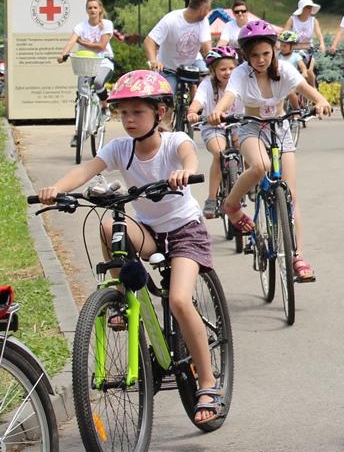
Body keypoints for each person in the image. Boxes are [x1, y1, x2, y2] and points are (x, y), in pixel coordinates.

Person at [37, 70, 225, 424]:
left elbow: (189, 156)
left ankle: (208, 382)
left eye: (137, 112)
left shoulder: (174, 141)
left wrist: (184, 172)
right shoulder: (120, 148)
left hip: (185, 232)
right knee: (111, 226)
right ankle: (122, 296)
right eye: (123, 113)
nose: (129, 120)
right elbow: (87, 170)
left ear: (160, 112)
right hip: (150, 231)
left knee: (179, 300)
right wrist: (56, 189)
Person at [208, 19, 331, 282]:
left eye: (266, 53)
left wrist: (321, 101)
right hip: (251, 127)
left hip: (280, 127)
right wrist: (218, 110)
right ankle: (231, 204)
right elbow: (230, 96)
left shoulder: (284, 69)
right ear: (246, 56)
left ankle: (298, 256)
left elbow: (305, 88)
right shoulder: (241, 74)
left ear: (274, 50)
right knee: (260, 166)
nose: (261, 59)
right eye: (254, 55)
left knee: (291, 194)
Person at [186, 47, 241, 218]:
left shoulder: (242, 82)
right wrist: (192, 112)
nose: (228, 72)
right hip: (213, 127)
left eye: (231, 68)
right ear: (213, 71)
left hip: (238, 124)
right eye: (223, 69)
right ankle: (211, 198)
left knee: (246, 146)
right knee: (219, 153)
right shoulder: (207, 85)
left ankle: (250, 182)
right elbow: (198, 101)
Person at [59, 0, 115, 146]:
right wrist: (63, 54)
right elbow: (72, 41)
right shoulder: (81, 26)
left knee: (98, 82)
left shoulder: (106, 24)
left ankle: (104, 106)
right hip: (86, 63)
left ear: (100, 9)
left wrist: (82, 42)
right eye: (90, 8)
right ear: (86, 10)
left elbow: (101, 46)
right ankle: (78, 133)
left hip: (104, 62)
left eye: (95, 7)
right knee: (81, 95)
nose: (92, 10)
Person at [144, 0, 213, 94]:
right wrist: (153, 61)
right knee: (168, 95)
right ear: (202, 10)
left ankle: (197, 100)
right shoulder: (171, 20)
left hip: (192, 62)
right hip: (169, 67)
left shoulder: (204, 21)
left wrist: (212, 64)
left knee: (207, 80)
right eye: (208, 9)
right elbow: (149, 40)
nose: (208, 12)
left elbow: (206, 48)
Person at [283, 0, 323, 89]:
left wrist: (321, 44)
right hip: (294, 50)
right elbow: (284, 33)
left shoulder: (313, 20)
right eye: (307, 7)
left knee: (309, 71)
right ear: (302, 9)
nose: (310, 10)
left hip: (308, 50)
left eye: (310, 7)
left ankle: (314, 91)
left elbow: (319, 34)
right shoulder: (292, 19)